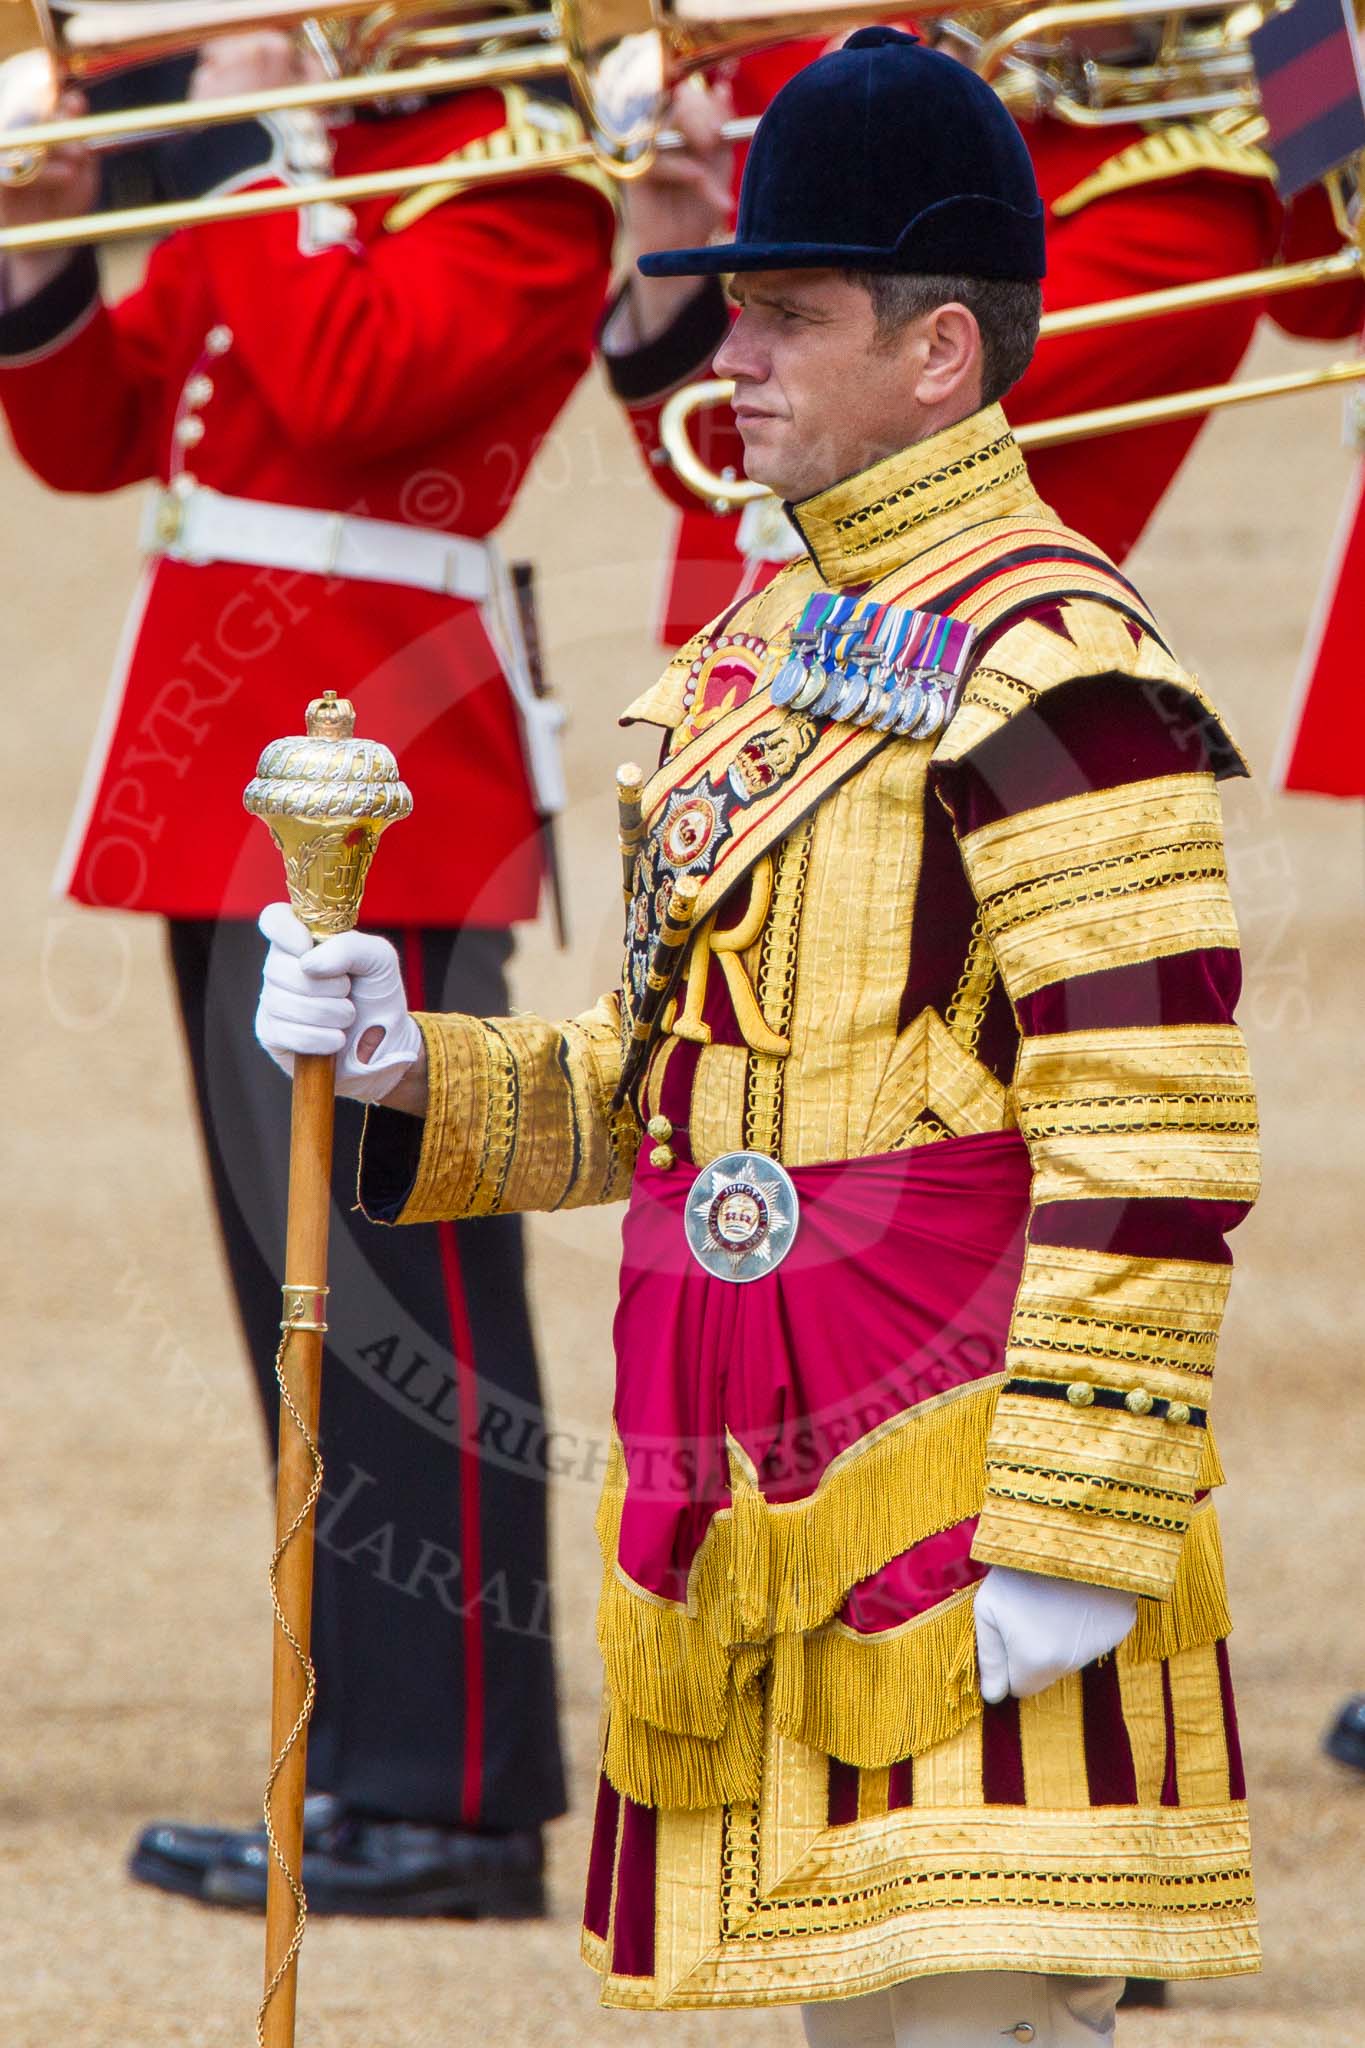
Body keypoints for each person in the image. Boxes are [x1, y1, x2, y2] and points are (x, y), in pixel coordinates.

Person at [256, 29, 1261, 2036]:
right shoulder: (749, 660)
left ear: (940, 358)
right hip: (736, 1452)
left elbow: (1152, 1124)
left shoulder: (1065, 666)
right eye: (737, 313)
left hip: (959, 1469)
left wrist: (1074, 1526)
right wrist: (403, 1062)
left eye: (789, 317)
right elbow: (659, 1088)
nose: (730, 359)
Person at [0, 34, 615, 1915]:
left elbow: (355, 390)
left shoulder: (524, 164)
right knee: (300, 1309)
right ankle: (354, 1762)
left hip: (387, 779)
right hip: (229, 772)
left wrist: (268, 129)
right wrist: (37, 264)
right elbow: (97, 433)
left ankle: (457, 1791)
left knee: (400, 1309)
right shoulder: (318, 151)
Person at [599, 40, 1342, 650]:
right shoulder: (896, 82)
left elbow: (1327, 299)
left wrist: (1309, 53)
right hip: (770, 667)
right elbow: (718, 457)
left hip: (954, 693)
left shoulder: (1188, 200)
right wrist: (669, 245)